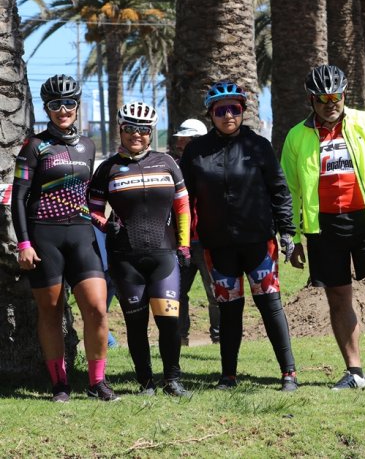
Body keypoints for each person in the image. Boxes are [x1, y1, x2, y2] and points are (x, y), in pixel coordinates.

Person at [281, 65, 365, 400]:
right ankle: (354, 372)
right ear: (311, 100)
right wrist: (292, 238)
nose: (329, 104)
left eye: (334, 97)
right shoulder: (296, 136)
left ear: (343, 95)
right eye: (321, 99)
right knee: (338, 297)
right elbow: (290, 191)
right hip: (323, 227)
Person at [180, 80, 298, 392]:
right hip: (218, 247)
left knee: (270, 305)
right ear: (211, 114)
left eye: (234, 109)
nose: (228, 115)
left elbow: (279, 191)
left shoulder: (258, 146)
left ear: (242, 111)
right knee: (229, 312)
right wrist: (181, 239)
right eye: (221, 110)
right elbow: (182, 198)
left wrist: (287, 232)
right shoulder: (195, 152)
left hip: (259, 243)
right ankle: (228, 375)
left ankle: (289, 373)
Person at [11, 74, 118, 402]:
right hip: (44, 237)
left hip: (81, 235)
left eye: (69, 103)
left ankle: (97, 381)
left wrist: (99, 218)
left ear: (77, 105)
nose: (63, 110)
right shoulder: (34, 146)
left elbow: (88, 194)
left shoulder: (88, 145)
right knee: (51, 313)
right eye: (56, 105)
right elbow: (18, 198)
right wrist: (25, 243)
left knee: (98, 308)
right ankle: (59, 384)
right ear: (47, 108)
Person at [88, 101, 191, 397]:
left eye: (144, 130)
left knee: (168, 321)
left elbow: (182, 207)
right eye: (131, 129)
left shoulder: (168, 162)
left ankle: (172, 380)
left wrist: (183, 245)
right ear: (121, 130)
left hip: (164, 255)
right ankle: (146, 383)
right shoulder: (107, 169)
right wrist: (106, 225)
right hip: (125, 258)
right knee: (136, 324)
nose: (137, 135)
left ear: (151, 132)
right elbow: (92, 210)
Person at [171, 119, 220, 346]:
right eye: (180, 138)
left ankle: (218, 338)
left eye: (185, 137)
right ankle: (180, 339)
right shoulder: (173, 166)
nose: (179, 141)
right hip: (182, 241)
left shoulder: (210, 167)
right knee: (177, 293)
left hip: (208, 240)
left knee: (215, 294)